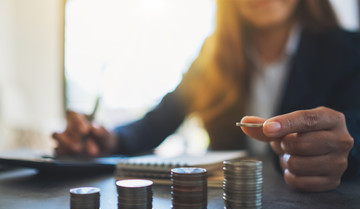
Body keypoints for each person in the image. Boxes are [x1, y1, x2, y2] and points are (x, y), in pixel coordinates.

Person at [53, 0, 360, 192]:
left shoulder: (350, 52)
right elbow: (157, 122)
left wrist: (348, 154)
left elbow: (354, 130)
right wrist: (110, 141)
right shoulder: (212, 55)